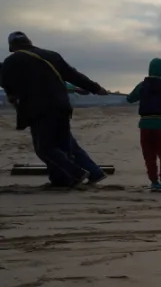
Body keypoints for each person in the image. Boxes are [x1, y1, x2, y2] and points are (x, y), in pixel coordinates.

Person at [0, 31, 109, 188]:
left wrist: (14, 97)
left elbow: (8, 84)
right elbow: (74, 75)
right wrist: (95, 88)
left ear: (12, 47)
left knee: (44, 148)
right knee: (65, 146)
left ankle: (75, 173)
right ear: (29, 41)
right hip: (62, 106)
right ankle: (66, 179)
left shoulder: (12, 61)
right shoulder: (52, 55)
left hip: (39, 110)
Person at [125, 58, 161, 191]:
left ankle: (154, 182)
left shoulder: (143, 84)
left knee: (149, 155)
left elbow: (130, 99)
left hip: (145, 125)